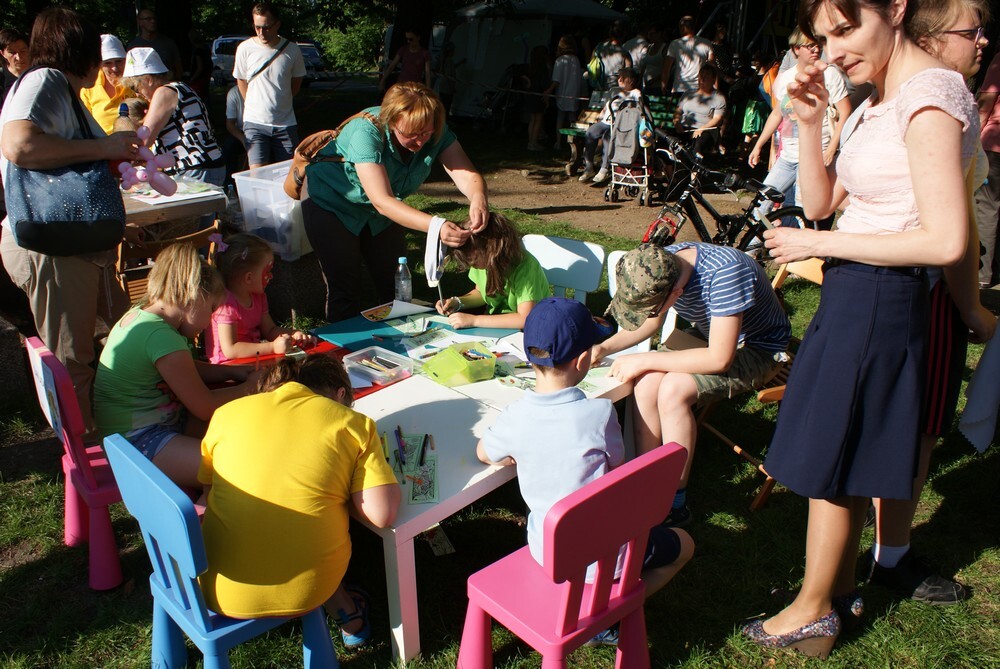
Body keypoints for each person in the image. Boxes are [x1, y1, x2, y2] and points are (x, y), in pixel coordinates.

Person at [742, 0, 989, 657]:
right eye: (822, 37)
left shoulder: (933, 94)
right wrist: (813, 117)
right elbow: (821, 203)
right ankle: (833, 593)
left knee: (835, 460)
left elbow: (943, 237)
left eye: (844, 28)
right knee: (840, 456)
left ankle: (810, 609)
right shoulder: (876, 96)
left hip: (881, 297)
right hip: (857, 295)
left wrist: (822, 247)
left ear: (897, 8)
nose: (832, 49)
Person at [863, 0, 994, 606]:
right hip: (921, 291)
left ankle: (880, 547)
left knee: (901, 423)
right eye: (972, 29)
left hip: (886, 288)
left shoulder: (895, 98)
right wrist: (971, 309)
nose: (984, 39)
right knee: (917, 426)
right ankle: (891, 555)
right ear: (932, 37)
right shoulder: (939, 99)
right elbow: (953, 233)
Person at [477, 297, 695, 646]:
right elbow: (616, 467)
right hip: (610, 561)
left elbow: (484, 453)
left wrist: (517, 453)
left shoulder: (515, 418)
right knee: (685, 545)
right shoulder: (601, 413)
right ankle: (609, 614)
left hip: (547, 552)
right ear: (582, 361)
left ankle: (598, 615)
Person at [198, 355, 400, 648]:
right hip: (307, 589)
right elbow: (383, 515)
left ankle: (345, 611)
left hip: (215, 587)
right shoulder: (353, 423)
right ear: (340, 393)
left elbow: (209, 491)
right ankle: (349, 616)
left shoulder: (226, 413)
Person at [0, 7, 138, 433]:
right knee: (72, 360)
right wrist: (103, 150)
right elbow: (19, 147)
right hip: (53, 244)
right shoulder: (45, 81)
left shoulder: (61, 92)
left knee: (108, 340)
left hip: (68, 243)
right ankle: (84, 458)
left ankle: (107, 439)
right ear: (83, 50)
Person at [597, 243, 790, 527]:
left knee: (674, 390)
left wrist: (647, 359)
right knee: (648, 381)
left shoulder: (724, 273)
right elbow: (650, 323)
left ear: (676, 293)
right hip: (712, 337)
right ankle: (648, 479)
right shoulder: (663, 264)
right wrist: (601, 348)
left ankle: (675, 500)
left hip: (758, 350)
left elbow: (720, 358)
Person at [301, 81, 489, 322]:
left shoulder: (437, 130)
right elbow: (382, 200)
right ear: (391, 122)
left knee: (397, 284)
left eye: (425, 133)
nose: (420, 141)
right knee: (345, 286)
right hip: (333, 202)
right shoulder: (365, 132)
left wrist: (478, 197)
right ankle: (341, 353)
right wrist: (436, 226)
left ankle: (402, 347)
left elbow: (465, 173)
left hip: (382, 210)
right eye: (410, 134)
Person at [94, 243, 258, 489]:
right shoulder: (162, 337)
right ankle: (208, 518)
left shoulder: (141, 315)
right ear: (194, 296)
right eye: (212, 309)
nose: (209, 321)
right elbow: (204, 406)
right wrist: (252, 388)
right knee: (237, 464)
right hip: (139, 445)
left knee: (237, 426)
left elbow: (185, 369)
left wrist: (230, 371)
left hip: (128, 438)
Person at [748, 29, 851, 227]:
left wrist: (832, 148)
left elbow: (845, 112)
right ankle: (749, 252)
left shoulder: (829, 74)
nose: (815, 50)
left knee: (803, 211)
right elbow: (777, 113)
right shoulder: (785, 78)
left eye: (817, 45)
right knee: (761, 204)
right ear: (796, 50)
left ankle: (802, 254)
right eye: (809, 46)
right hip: (787, 156)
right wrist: (759, 145)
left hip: (816, 154)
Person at [205, 233, 316, 364]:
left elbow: (270, 330)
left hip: (254, 358)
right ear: (249, 278)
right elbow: (231, 349)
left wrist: (293, 335)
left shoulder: (258, 296)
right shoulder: (227, 305)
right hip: (227, 366)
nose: (271, 276)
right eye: (267, 271)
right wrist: (272, 347)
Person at [122, 47, 225, 186]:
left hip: (194, 169)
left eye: (135, 87)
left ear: (148, 79)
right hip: (207, 164)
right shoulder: (180, 87)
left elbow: (145, 139)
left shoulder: (163, 93)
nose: (137, 94)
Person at [434, 212, 549, 330]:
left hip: (528, 332)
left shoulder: (525, 267)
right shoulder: (483, 261)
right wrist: (457, 302)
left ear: (492, 251)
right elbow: (481, 293)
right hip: (496, 327)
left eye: (473, 259)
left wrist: (474, 320)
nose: (470, 264)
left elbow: (525, 319)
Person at [233, 3, 306, 169]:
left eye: (266, 27)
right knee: (256, 175)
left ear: (277, 24)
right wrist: (254, 103)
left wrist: (280, 101)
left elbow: (295, 85)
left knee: (289, 176)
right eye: (257, 27)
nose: (261, 32)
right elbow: (241, 81)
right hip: (255, 123)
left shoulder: (292, 50)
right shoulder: (245, 48)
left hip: (285, 123)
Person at [579, 66, 645, 184]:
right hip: (606, 121)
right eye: (619, 77)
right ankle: (589, 167)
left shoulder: (635, 92)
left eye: (622, 78)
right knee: (591, 132)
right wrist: (599, 118)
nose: (619, 80)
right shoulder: (614, 90)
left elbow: (639, 107)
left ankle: (604, 169)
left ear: (630, 80)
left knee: (607, 138)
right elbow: (606, 107)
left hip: (621, 124)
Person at [976, 50, 1000, 287]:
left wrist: (972, 140)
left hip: (994, 147)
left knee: (986, 210)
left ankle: (982, 275)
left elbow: (985, 103)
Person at [79, 34, 134, 135]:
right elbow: (84, 124)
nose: (115, 68)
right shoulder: (88, 88)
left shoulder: (136, 83)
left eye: (119, 61)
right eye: (108, 63)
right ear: (100, 65)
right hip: (102, 145)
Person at [674, 64, 728, 157]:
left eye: (706, 76)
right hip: (685, 128)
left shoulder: (718, 97)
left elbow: (717, 119)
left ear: (713, 79)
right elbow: (678, 111)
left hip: (706, 130)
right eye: (701, 75)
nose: (702, 79)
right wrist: (676, 122)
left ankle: (695, 171)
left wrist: (702, 129)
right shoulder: (688, 93)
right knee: (670, 142)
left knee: (698, 144)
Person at [663, 15, 715, 96]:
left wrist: (664, 84)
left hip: (679, 88)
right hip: (700, 88)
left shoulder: (675, 44)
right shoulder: (706, 43)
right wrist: (715, 87)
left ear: (682, 27)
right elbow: (712, 67)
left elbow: (667, 68)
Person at [127, 8, 184, 81]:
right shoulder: (133, 46)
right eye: (148, 19)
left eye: (154, 18)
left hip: (167, 87)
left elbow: (178, 67)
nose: (153, 21)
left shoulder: (168, 43)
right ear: (140, 22)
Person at [546, 35, 582, 151]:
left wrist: (548, 92)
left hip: (562, 93)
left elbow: (556, 80)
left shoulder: (560, 60)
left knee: (560, 118)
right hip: (574, 93)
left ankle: (558, 142)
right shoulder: (576, 60)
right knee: (572, 118)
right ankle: (573, 144)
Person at [588, 22, 632, 93]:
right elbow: (628, 74)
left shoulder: (598, 48)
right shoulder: (624, 53)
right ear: (623, 36)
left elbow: (591, 64)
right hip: (615, 88)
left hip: (598, 86)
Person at [523, 45, 550, 151]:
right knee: (538, 119)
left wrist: (528, 83)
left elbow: (521, 75)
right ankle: (534, 143)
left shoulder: (530, 67)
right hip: (538, 95)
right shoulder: (543, 68)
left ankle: (531, 142)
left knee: (532, 120)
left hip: (530, 94)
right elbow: (544, 83)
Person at [223, 84, 248, 179]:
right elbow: (230, 125)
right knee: (229, 148)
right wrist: (243, 139)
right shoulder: (234, 93)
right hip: (242, 131)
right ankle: (230, 183)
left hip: (262, 129)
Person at [0, 28, 29, 106]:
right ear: (2, 53)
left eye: (23, 51)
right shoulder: (2, 78)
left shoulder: (41, 74)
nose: (19, 57)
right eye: (12, 53)